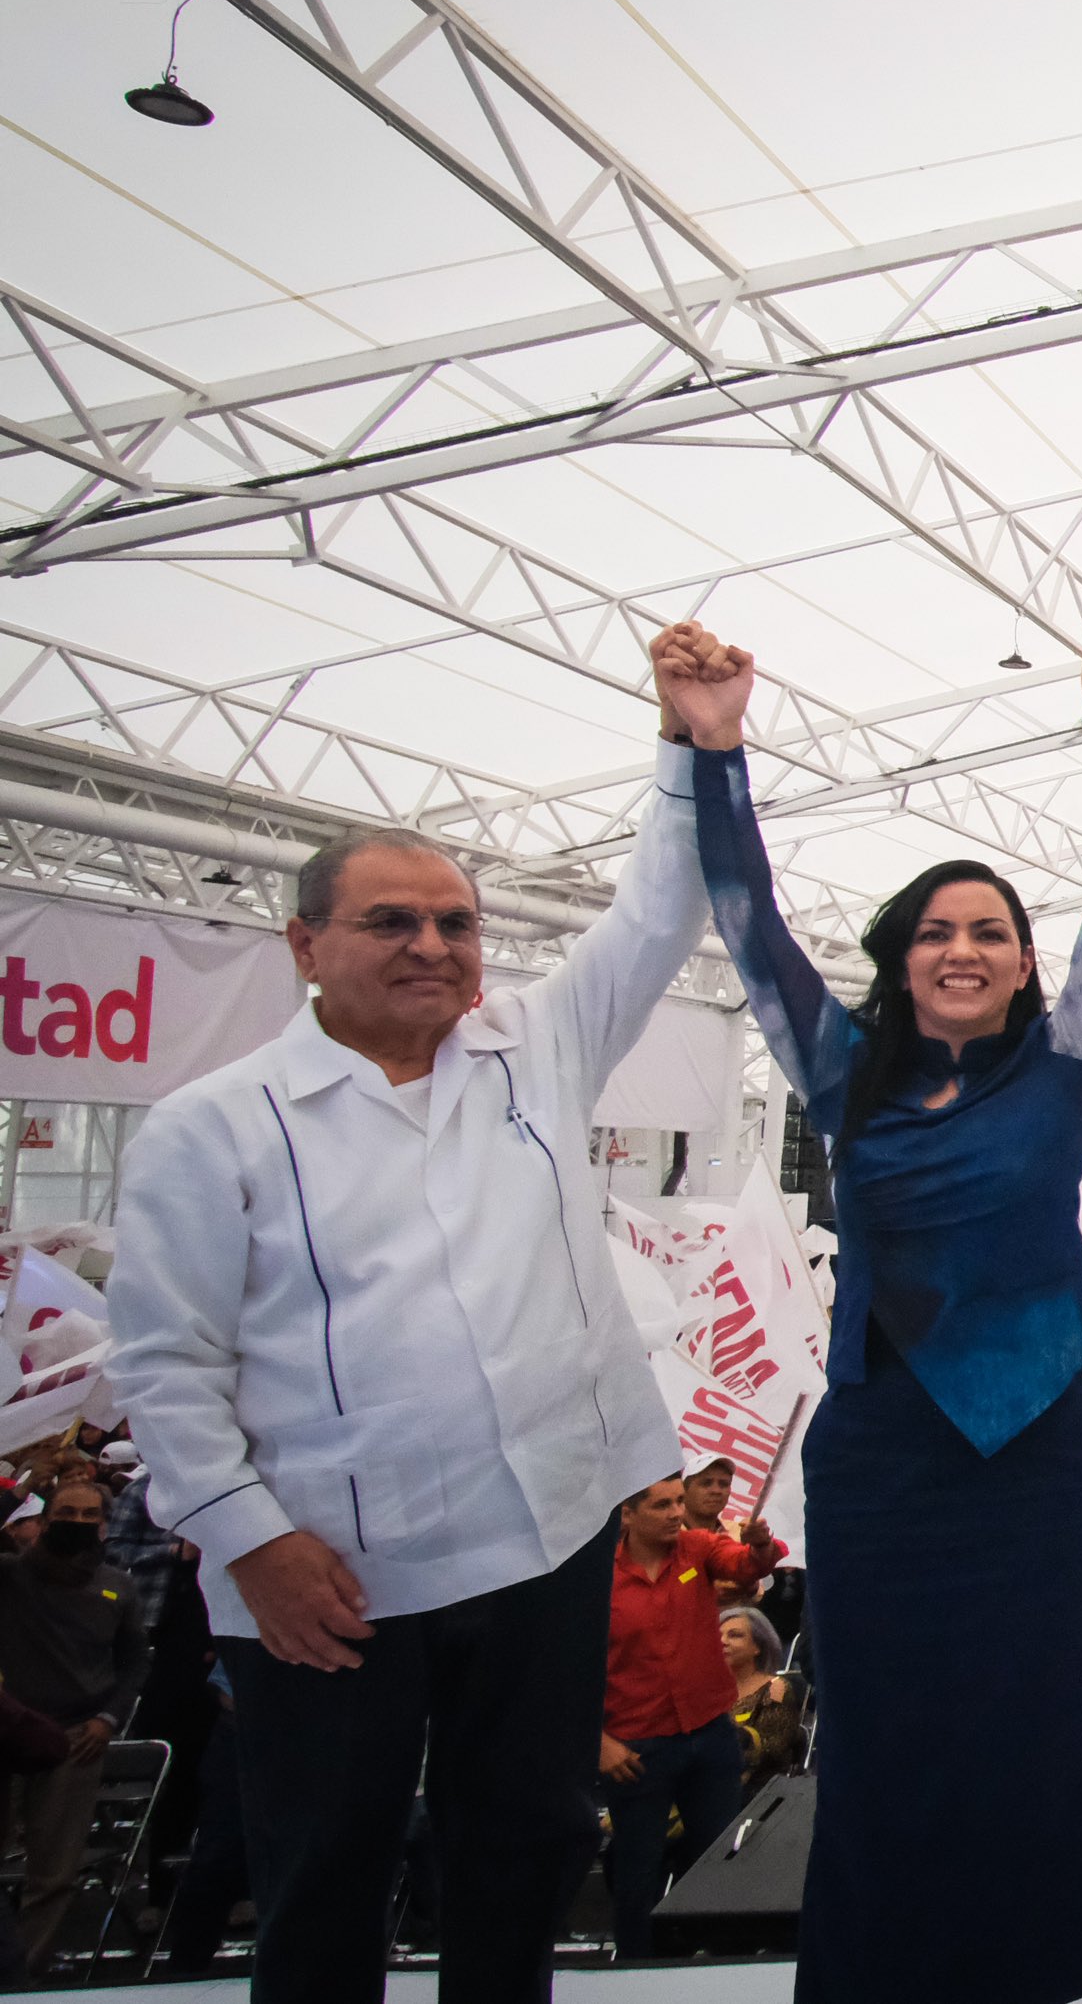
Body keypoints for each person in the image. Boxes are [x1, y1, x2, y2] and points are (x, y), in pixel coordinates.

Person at [106, 623, 724, 2002]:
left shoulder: (536, 1052)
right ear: (305, 942)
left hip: (544, 1538)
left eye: (455, 922)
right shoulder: (218, 1129)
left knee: (528, 1845)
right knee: (327, 1865)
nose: (434, 946)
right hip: (332, 1575)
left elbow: (656, 917)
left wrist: (688, 748)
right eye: (393, 921)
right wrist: (250, 1540)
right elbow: (163, 1361)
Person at [692, 610, 1082, 2003]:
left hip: (1036, 1451)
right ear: (900, 957)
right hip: (884, 1459)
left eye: (992, 931)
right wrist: (717, 752)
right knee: (885, 1737)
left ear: (1023, 964)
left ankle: (1037, 1975)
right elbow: (744, 917)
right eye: (939, 930)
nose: (965, 947)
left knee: (1035, 1729)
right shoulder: (842, 1076)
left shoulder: (1069, 1071)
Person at [594, 1476, 774, 1959]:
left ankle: (724, 1958)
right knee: (637, 1866)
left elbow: (743, 1565)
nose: (676, 1512)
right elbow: (568, 1665)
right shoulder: (598, 1578)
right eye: (661, 1505)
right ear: (626, 1515)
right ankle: (637, 1968)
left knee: (722, 1853)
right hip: (636, 1746)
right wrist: (599, 1741)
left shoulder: (696, 1549)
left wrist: (759, 1546)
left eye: (678, 1502)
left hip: (709, 1732)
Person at [0, 1476, 148, 1977]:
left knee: (55, 1871)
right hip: (6, 1732)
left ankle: (22, 1973)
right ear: (40, 1522)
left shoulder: (119, 1587)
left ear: (105, 1526)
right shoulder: (9, 1577)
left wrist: (109, 1719)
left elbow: (134, 1663)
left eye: (90, 1516)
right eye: (67, 1513)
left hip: (76, 1741)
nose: (78, 1523)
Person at [721, 1609, 807, 1786]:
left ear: (757, 1646)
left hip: (756, 1789)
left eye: (735, 1635)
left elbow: (773, 1750)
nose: (722, 1641)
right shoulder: (706, 1689)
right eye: (718, 1635)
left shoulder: (776, 1687)